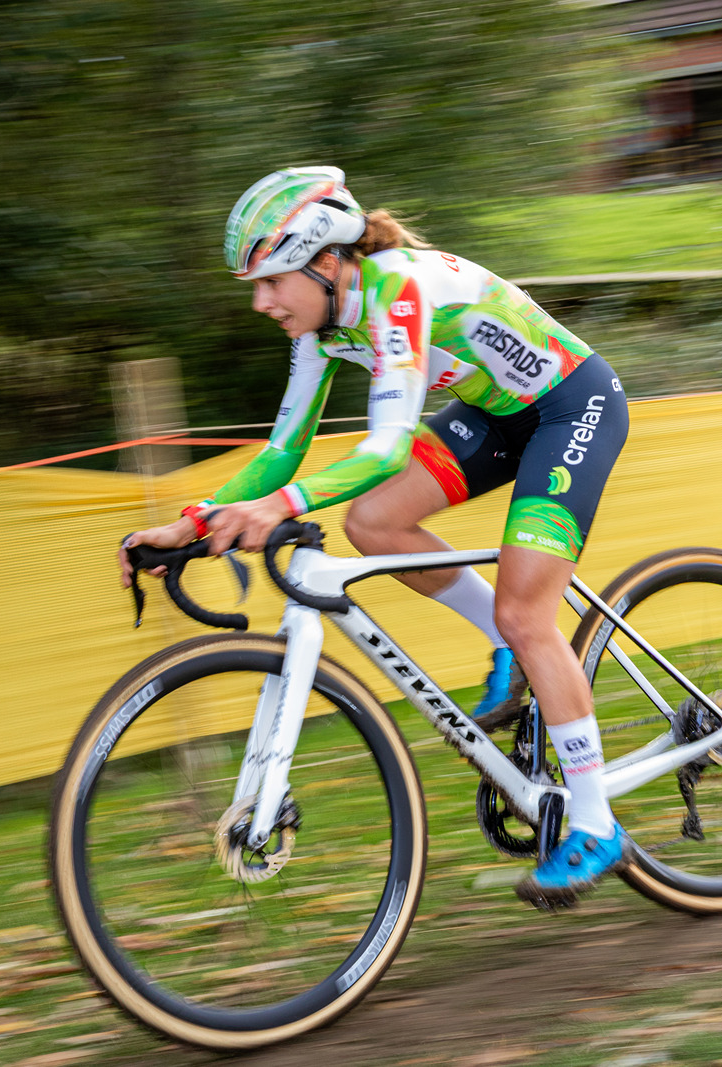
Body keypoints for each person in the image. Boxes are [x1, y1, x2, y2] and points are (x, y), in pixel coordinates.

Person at [118, 166, 630, 906]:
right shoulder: (321, 330)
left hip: (570, 405)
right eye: (255, 287)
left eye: (272, 282)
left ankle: (596, 822)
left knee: (528, 613)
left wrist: (276, 509)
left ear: (327, 262)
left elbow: (387, 448)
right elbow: (282, 451)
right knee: (372, 523)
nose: (262, 303)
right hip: (494, 415)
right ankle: (507, 645)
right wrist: (194, 520)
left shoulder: (397, 289)